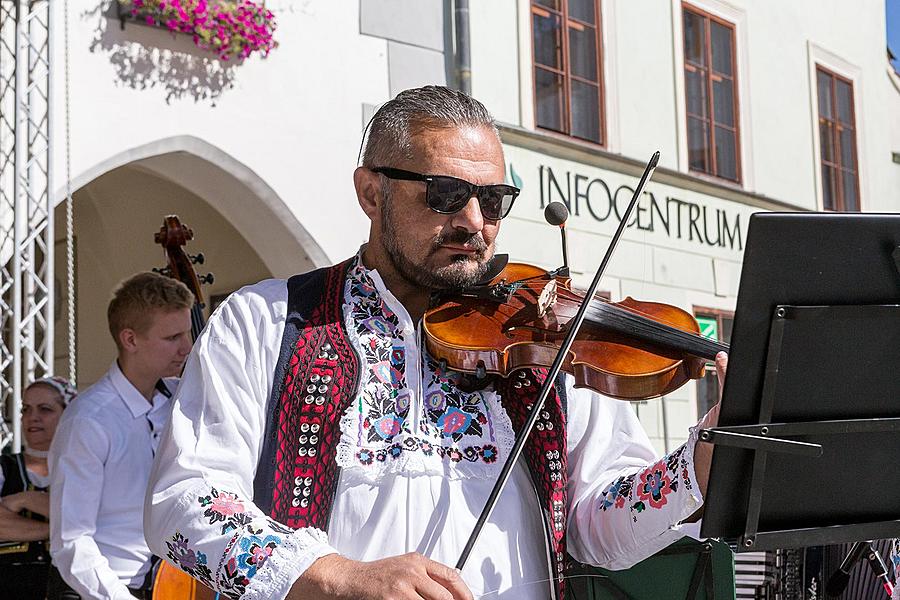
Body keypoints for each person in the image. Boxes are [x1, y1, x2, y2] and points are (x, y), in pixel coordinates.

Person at [145, 85, 725, 600]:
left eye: (494, 200)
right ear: (371, 194)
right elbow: (184, 503)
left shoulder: (550, 338)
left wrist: (698, 466)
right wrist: (337, 577)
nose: (475, 220)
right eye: (446, 193)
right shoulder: (266, 321)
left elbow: (600, 530)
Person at [48, 272, 193, 600]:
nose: (187, 347)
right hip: (105, 590)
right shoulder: (88, 422)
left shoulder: (181, 401)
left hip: (170, 585)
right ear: (130, 340)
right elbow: (72, 541)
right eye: (172, 337)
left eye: (187, 332)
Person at [0, 376, 77, 599]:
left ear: (68, 414)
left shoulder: (85, 468)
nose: (33, 418)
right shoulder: (5, 467)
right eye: (26, 409)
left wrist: (23, 500)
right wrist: (64, 530)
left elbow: (101, 519)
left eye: (45, 409)